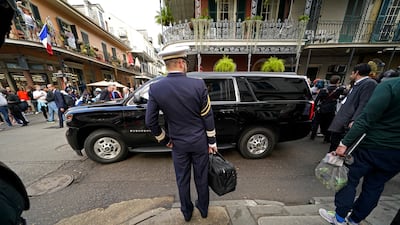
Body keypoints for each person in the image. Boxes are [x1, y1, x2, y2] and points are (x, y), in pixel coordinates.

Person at [145, 46, 217, 222]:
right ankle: (204, 209)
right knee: (201, 178)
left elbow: (150, 121)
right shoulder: (198, 84)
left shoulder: (155, 88)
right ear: (180, 63)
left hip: (177, 144)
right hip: (199, 142)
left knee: (182, 179)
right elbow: (207, 115)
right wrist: (212, 141)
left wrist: (165, 140)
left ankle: (186, 212)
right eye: (185, 62)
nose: (185, 65)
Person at [319, 77, 400, 225]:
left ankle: (339, 217)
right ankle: (355, 219)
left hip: (371, 145)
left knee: (348, 179)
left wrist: (344, 143)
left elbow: (366, 118)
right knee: (375, 186)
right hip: (396, 154)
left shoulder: (390, 86)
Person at [328, 63, 377, 152]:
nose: (351, 74)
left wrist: (354, 120)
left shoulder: (369, 83)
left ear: (357, 72)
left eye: (352, 72)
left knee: (339, 148)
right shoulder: (358, 83)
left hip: (347, 121)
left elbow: (364, 103)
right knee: (334, 144)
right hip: (343, 119)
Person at [310, 75, 345, 142]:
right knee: (329, 124)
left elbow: (317, 100)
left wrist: (314, 108)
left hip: (321, 108)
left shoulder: (323, 90)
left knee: (316, 122)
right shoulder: (339, 90)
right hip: (331, 109)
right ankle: (326, 138)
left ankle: (312, 136)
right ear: (338, 81)